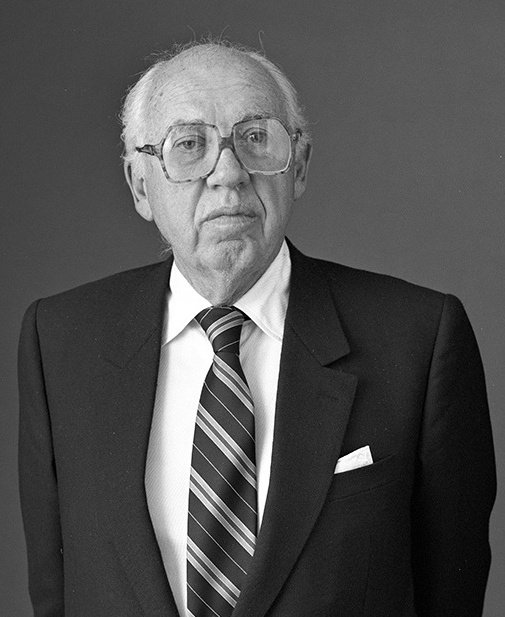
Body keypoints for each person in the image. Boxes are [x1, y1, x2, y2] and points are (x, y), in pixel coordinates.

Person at [18, 40, 496, 617]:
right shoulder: (60, 342)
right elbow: (55, 590)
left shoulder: (418, 339)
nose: (229, 174)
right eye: (189, 144)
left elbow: (452, 592)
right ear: (141, 185)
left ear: (299, 166)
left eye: (255, 138)